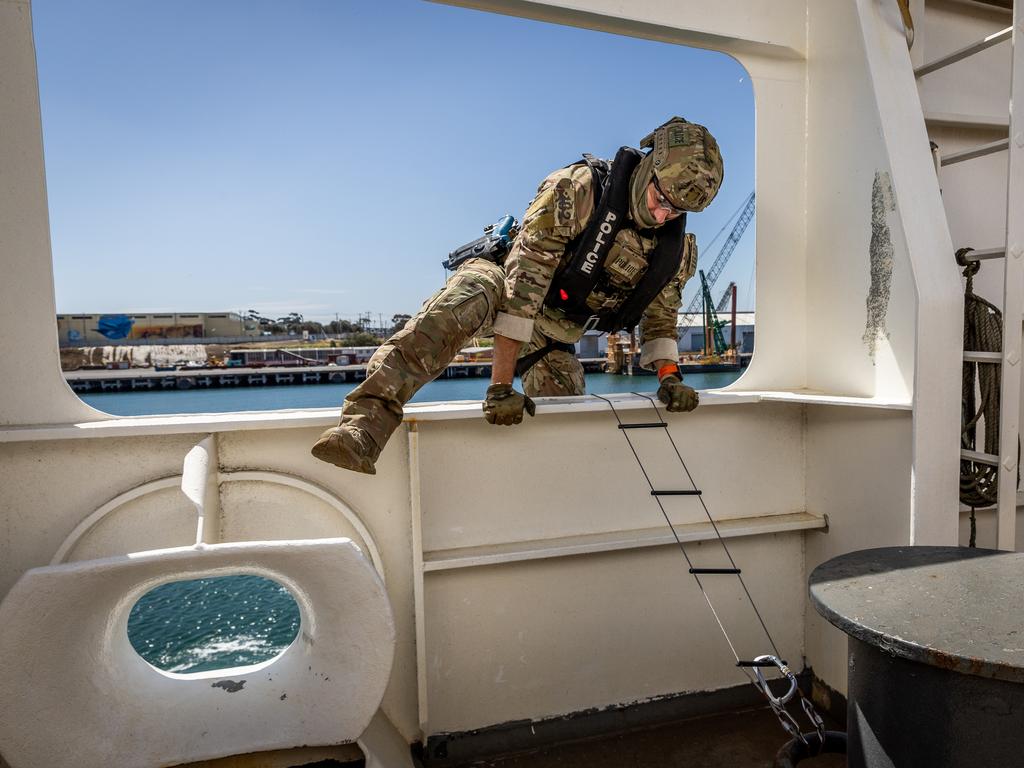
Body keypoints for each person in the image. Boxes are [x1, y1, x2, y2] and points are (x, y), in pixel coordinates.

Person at [312, 116, 724, 474]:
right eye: (660, 200)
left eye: (675, 211)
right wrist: (500, 386)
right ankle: (363, 426)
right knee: (468, 298)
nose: (662, 215)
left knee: (564, 409)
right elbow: (523, 285)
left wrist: (670, 380)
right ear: (648, 168)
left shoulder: (673, 247)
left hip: (554, 331)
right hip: (506, 290)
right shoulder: (575, 192)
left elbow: (661, 316)